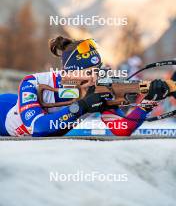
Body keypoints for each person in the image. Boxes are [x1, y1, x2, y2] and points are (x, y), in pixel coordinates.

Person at [0, 36, 172, 137]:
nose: (95, 76)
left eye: (98, 69)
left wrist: (148, 102)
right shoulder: (33, 82)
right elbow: (38, 128)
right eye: (88, 72)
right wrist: (81, 107)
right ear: (71, 71)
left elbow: (122, 128)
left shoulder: (100, 86)